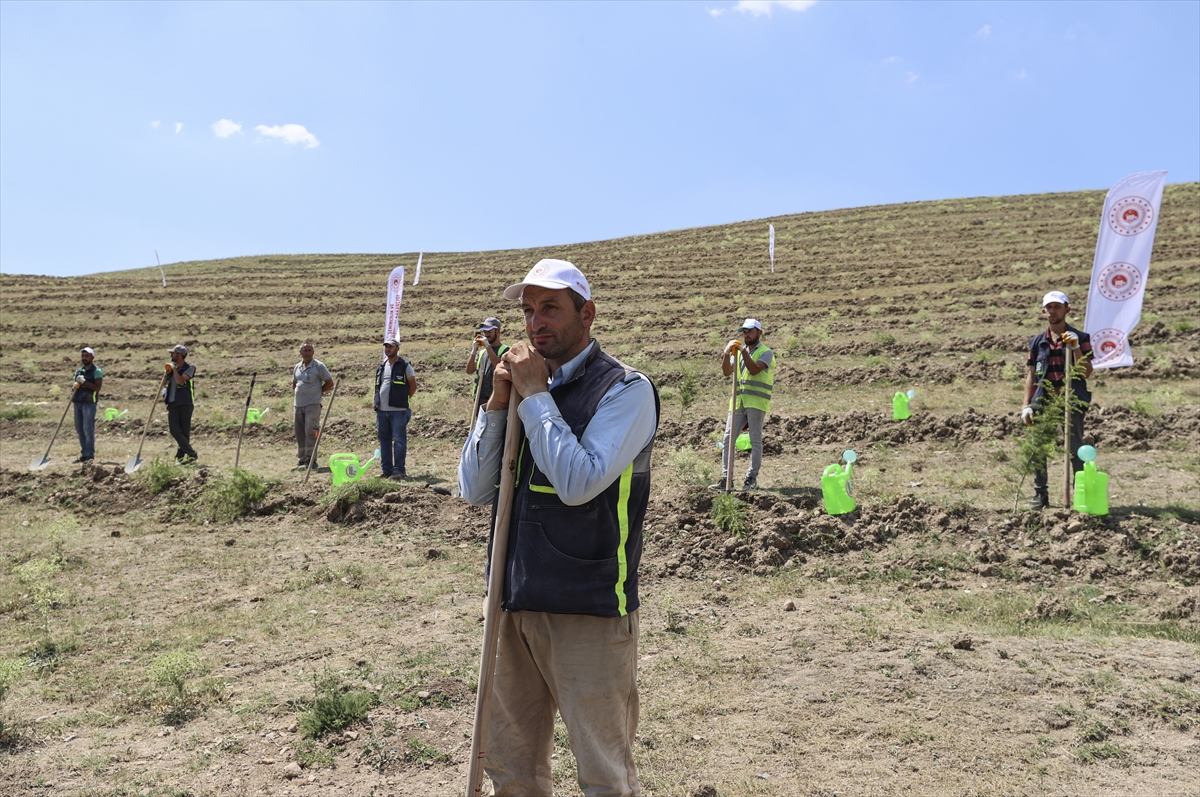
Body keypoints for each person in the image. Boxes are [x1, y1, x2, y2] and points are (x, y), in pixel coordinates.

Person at [458, 258, 658, 797]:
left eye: (550, 307)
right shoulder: (519, 390)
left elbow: (578, 482)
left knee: (603, 774)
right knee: (512, 769)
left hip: (587, 609)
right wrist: (499, 405)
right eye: (527, 310)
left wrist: (536, 397)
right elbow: (474, 490)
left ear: (586, 314)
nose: (534, 322)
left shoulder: (626, 390)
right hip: (511, 599)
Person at [1021, 291, 1093, 509]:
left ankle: (1080, 495)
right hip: (1043, 400)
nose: (1053, 311)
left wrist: (1076, 348)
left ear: (1067, 310)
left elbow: (1086, 372)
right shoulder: (1036, 342)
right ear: (1044, 311)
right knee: (1038, 447)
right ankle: (1040, 495)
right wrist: (1026, 404)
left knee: (1075, 447)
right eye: (1049, 307)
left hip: (1072, 399)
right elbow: (1032, 375)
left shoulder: (1081, 338)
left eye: (1057, 307)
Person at [712, 318, 775, 491]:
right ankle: (726, 479)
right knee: (727, 439)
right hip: (738, 402)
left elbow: (754, 370)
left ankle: (751, 479)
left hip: (756, 402)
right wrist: (726, 354)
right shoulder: (739, 353)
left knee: (755, 440)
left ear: (759, 332)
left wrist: (742, 351)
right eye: (744, 332)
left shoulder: (766, 352)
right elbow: (726, 372)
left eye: (750, 331)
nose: (746, 334)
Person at [374, 337, 417, 480]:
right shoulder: (381, 366)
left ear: (397, 348)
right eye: (386, 347)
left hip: (398, 411)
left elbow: (413, 386)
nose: (388, 349)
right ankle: (386, 470)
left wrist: (402, 400)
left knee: (399, 440)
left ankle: (399, 470)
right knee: (384, 440)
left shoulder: (405, 366)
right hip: (382, 411)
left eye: (391, 347)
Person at [292, 341, 334, 468]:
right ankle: (302, 459)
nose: (307, 352)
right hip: (298, 405)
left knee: (311, 431)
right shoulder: (297, 367)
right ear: (300, 352)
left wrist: (318, 392)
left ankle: (311, 460)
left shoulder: (319, 366)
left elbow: (330, 382)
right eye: (304, 350)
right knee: (299, 432)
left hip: (313, 405)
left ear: (313, 352)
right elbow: (294, 384)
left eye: (309, 350)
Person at [465, 316, 510, 410]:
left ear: (498, 331)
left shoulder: (506, 350)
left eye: (489, 331)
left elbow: (498, 365)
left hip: (496, 400)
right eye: (484, 331)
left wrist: (488, 347)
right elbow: (469, 370)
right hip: (479, 399)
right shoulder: (482, 353)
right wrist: (473, 351)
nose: (486, 334)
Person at [164, 344, 198, 462]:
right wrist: (166, 373)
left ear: (179, 355)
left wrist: (174, 370)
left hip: (185, 403)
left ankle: (180, 457)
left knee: (184, 431)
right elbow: (164, 384)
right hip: (172, 403)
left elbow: (180, 381)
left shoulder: (190, 368)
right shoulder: (171, 369)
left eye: (173, 353)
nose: (171, 355)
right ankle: (191, 453)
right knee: (174, 429)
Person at [72, 346, 104, 463]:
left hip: (89, 403)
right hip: (78, 402)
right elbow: (76, 386)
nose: (84, 358)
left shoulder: (97, 371)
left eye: (87, 356)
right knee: (79, 429)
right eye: (83, 356)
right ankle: (84, 454)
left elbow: (97, 387)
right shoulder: (79, 371)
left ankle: (89, 455)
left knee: (87, 429)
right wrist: (75, 385)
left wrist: (84, 382)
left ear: (92, 357)